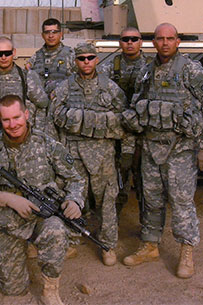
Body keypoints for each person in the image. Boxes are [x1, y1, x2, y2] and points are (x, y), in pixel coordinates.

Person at [121, 23, 203, 278]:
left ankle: (186, 251)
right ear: (153, 42)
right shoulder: (145, 72)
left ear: (177, 41)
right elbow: (137, 105)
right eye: (159, 39)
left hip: (181, 149)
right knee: (151, 201)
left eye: (170, 38)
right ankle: (150, 245)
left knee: (181, 202)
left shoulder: (190, 69)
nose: (164, 43)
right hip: (152, 147)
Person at [0, 95, 84, 304]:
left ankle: (50, 289)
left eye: (16, 117)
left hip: (41, 218)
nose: (12, 125)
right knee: (14, 290)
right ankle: (18, 249)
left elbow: (75, 179)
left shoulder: (47, 144)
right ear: (0, 121)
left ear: (27, 114)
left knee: (57, 230)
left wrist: (74, 200)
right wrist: (5, 198)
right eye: (6, 120)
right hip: (6, 224)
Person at [50, 42, 128, 266]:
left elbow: (124, 119)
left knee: (106, 200)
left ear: (96, 59)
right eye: (81, 58)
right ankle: (73, 240)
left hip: (103, 152)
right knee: (73, 198)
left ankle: (108, 244)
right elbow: (54, 115)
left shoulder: (110, 87)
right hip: (73, 152)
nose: (86, 62)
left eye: (90, 57)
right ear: (75, 61)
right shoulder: (65, 87)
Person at [98, 27, 152, 217]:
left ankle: (147, 226)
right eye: (125, 39)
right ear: (120, 43)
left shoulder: (151, 67)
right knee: (119, 175)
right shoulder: (109, 66)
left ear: (141, 42)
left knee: (145, 181)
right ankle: (114, 221)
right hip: (119, 131)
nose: (130, 43)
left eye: (134, 39)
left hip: (143, 133)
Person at [0, 36, 51, 148]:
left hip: (22, 140)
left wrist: (36, 134)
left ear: (14, 52)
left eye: (7, 53)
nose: (3, 57)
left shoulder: (27, 77)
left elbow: (43, 104)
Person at [25, 18, 75, 94]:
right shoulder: (36, 57)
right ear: (42, 35)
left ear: (61, 34)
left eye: (54, 32)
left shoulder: (71, 55)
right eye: (47, 32)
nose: (51, 36)